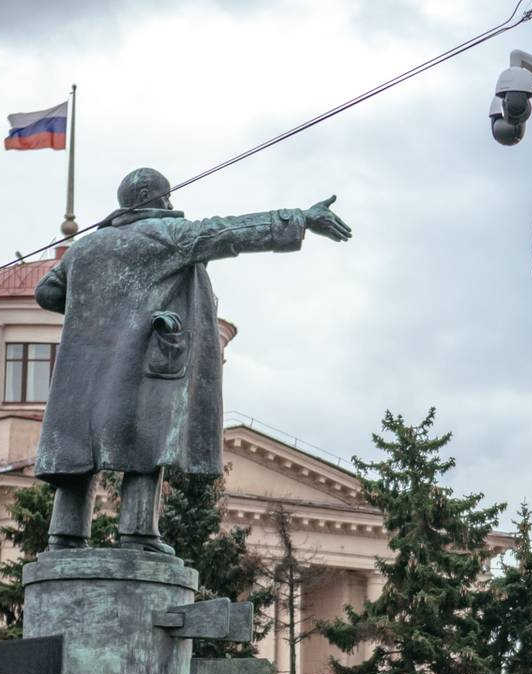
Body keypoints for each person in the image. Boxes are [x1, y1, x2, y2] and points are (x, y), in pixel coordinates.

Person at [33, 167, 351, 552]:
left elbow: (47, 293)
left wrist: (106, 306)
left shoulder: (85, 248)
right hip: (140, 361)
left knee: (76, 451)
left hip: (84, 370)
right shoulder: (166, 235)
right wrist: (301, 218)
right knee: (146, 444)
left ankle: (64, 537)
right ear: (161, 201)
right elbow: (228, 232)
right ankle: (137, 535)